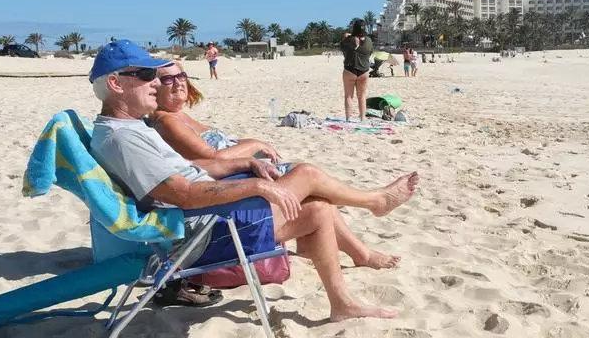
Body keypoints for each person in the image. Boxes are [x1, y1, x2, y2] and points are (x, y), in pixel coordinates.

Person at [88, 40, 419, 321]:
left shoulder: (126, 129)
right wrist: (256, 186)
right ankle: (373, 204)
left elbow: (189, 170)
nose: (156, 83)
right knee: (308, 179)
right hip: (201, 233)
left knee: (316, 205)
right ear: (116, 84)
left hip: (204, 219)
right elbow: (185, 194)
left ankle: (342, 304)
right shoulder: (123, 138)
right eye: (146, 75)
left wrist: (244, 164)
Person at [146, 61, 404, 270]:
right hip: (225, 200)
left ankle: (357, 252)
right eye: (168, 79)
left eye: (181, 75)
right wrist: (254, 144)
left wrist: (251, 147)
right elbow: (215, 158)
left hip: (234, 184)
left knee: (316, 193)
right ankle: (373, 202)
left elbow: (211, 155)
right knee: (308, 174)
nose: (178, 82)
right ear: (154, 86)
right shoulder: (167, 122)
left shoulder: (178, 115)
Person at [339, 20, 372, 121]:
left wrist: (346, 37)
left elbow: (342, 47)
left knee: (349, 96)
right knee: (362, 96)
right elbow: (370, 53)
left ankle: (348, 118)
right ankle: (362, 117)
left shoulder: (349, 40)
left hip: (350, 70)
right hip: (364, 71)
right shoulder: (369, 41)